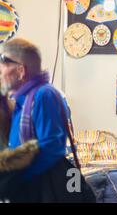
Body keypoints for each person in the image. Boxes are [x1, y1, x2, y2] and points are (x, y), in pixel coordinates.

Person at [0, 38, 94, 202]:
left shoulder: (44, 94)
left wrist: (16, 177)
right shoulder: (21, 100)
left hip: (41, 191)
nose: (1, 73)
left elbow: (52, 147)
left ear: (21, 70)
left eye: (4, 65)